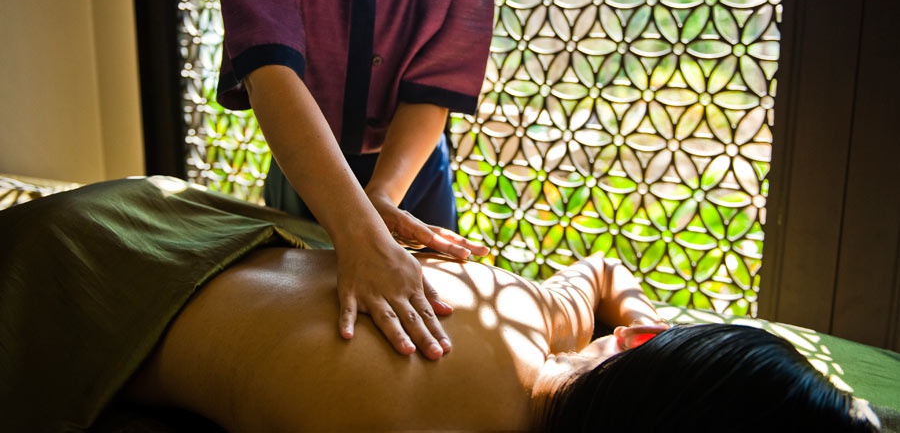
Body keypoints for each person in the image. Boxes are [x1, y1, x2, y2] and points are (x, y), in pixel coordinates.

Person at [0, 177, 881, 432]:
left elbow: (605, 274)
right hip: (82, 275)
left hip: (137, 224)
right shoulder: (524, 338)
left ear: (632, 348)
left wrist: (646, 319)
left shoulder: (522, 314)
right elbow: (608, 274)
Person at [213, 0, 496, 360]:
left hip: (415, 177)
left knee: (431, 345)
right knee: (314, 346)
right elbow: (270, 75)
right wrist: (358, 228)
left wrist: (382, 198)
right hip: (306, 171)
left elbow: (430, 94)